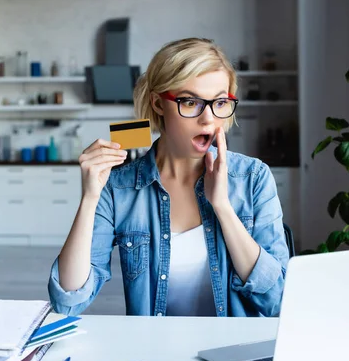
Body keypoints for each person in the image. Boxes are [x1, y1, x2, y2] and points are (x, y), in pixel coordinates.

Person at [48, 38, 289, 318]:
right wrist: (89, 199)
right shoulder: (119, 186)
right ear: (158, 103)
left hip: (232, 352)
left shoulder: (253, 178)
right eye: (190, 102)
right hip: (153, 352)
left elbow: (277, 302)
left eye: (220, 102)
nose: (208, 119)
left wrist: (222, 207)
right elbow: (67, 300)